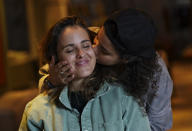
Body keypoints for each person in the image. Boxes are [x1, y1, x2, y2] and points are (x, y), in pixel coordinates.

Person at [39, 8, 173, 131]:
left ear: (126, 59)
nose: (92, 49)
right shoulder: (84, 38)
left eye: (103, 51)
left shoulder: (156, 76)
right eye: (97, 39)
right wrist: (53, 81)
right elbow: (44, 82)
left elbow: (158, 125)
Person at [19, 16, 151, 131]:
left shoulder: (124, 98)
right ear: (54, 59)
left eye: (86, 45)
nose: (81, 54)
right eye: (70, 50)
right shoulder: (36, 111)